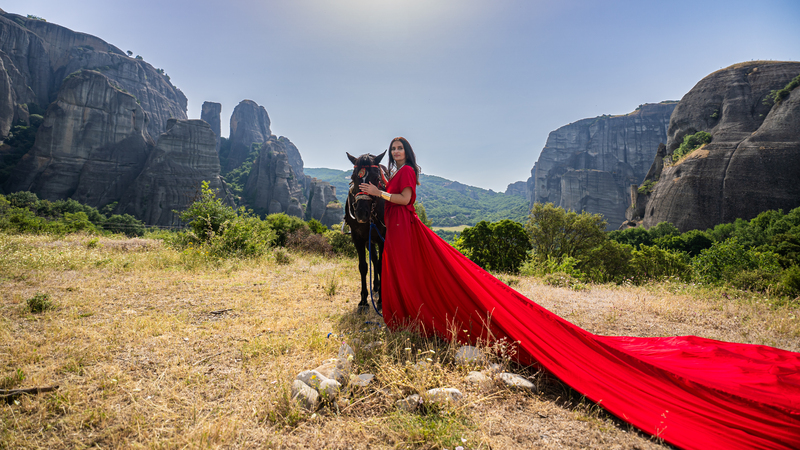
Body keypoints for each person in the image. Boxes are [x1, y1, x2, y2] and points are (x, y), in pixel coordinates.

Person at [360, 137, 800, 450]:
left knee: (425, 274)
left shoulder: (407, 173)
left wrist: (379, 192)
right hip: (395, 231)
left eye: (400, 148)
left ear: (407, 153)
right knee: (401, 272)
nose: (396, 153)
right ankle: (405, 313)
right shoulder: (394, 171)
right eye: (393, 149)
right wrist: (377, 191)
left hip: (406, 227)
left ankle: (413, 313)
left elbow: (405, 201)